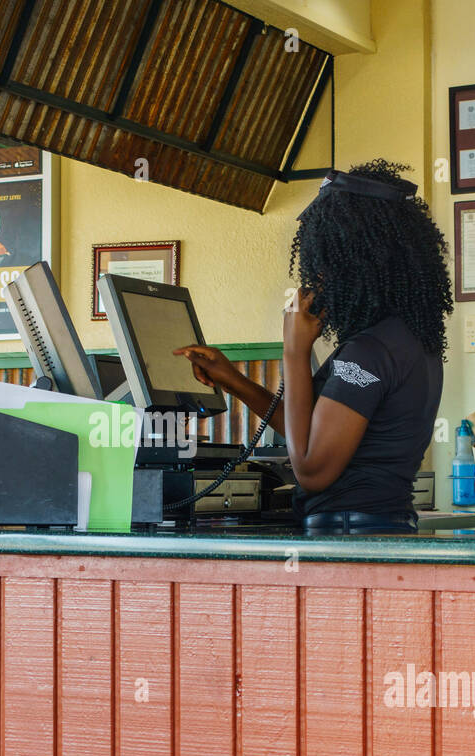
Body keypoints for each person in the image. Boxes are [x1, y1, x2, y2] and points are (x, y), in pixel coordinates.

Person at [174, 159, 452, 533]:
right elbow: (309, 432)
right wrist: (234, 380)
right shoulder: (404, 340)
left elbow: (312, 470)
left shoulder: (369, 353)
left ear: (356, 263)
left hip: (349, 534)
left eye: (326, 264)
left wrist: (294, 350)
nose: (319, 277)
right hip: (381, 528)